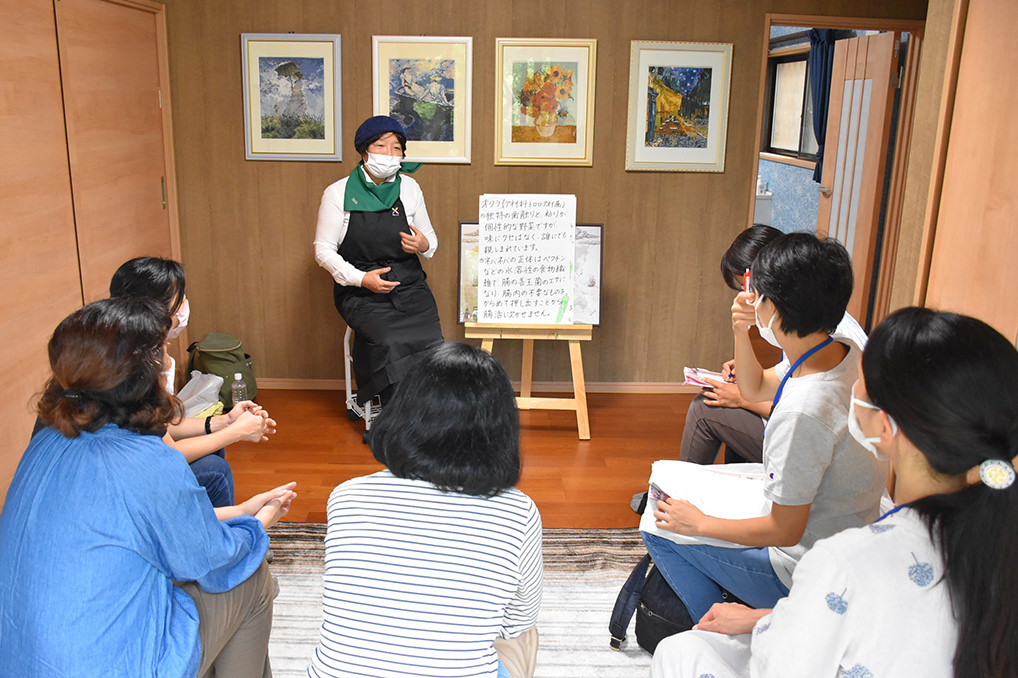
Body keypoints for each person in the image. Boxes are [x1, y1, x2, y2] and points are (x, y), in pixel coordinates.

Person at [651, 307, 1018, 677]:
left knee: (678, 651)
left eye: (862, 382)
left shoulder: (843, 563)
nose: (853, 388)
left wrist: (764, 624)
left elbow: (781, 664)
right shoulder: (998, 540)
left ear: (886, 427)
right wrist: (766, 617)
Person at [0, 297, 297, 676]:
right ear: (143, 373)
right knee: (251, 579)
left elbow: (137, 531)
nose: (169, 360)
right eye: (162, 351)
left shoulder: (45, 441)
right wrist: (258, 524)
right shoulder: (147, 460)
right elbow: (212, 560)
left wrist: (240, 512)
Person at [643, 233, 887, 623]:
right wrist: (743, 331)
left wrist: (700, 524)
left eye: (757, 295)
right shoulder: (838, 349)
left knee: (657, 528)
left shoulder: (804, 412)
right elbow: (754, 387)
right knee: (688, 501)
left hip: (805, 570)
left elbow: (785, 530)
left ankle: (727, 629)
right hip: (845, 537)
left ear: (772, 307)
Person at [308, 342, 543, 678]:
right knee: (523, 639)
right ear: (500, 429)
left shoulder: (346, 495)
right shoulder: (517, 513)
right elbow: (520, 619)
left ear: (405, 409)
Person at [681, 225, 867, 465]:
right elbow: (759, 385)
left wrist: (742, 400)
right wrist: (740, 330)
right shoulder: (823, 341)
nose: (747, 300)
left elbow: (791, 410)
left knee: (706, 409)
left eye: (750, 289)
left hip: (818, 461)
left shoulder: (804, 402)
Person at [108, 256, 277, 507]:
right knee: (214, 470)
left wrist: (224, 421)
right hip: (121, 478)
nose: (185, 305)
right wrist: (236, 432)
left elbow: (157, 426)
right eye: (179, 299)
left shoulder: (141, 350)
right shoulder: (131, 364)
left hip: (135, 460)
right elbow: (166, 453)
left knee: (213, 448)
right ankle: (212, 538)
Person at [314, 115, 443, 411]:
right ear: (364, 151)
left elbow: (431, 240)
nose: (389, 153)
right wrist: (362, 279)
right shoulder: (337, 193)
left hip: (410, 285)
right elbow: (323, 251)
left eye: (396, 147)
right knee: (388, 338)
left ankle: (426, 412)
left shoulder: (410, 188)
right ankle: (391, 414)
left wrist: (422, 244)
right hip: (360, 290)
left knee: (430, 339)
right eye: (381, 145)